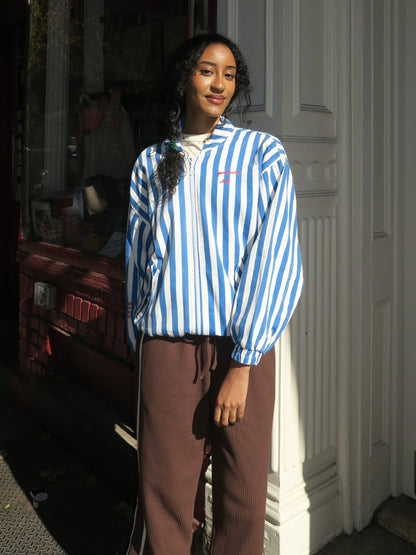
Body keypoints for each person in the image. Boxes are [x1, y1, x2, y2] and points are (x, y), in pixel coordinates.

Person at [125, 32, 303, 555]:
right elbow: (137, 264)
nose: (218, 83)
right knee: (165, 493)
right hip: (168, 349)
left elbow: (275, 255)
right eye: (207, 70)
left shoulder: (261, 155)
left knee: (244, 494)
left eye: (228, 74)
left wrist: (243, 363)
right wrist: (146, 347)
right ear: (185, 78)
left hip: (240, 348)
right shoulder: (151, 163)